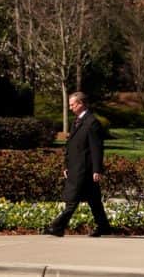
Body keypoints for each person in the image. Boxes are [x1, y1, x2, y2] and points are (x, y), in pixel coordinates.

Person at [45, 92, 112, 237]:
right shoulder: (76, 122)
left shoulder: (92, 122)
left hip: (85, 169)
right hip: (75, 167)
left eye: (72, 104)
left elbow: (96, 148)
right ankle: (104, 226)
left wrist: (97, 169)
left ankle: (57, 227)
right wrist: (66, 165)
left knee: (72, 199)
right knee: (94, 200)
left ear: (81, 104)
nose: (70, 108)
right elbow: (70, 146)